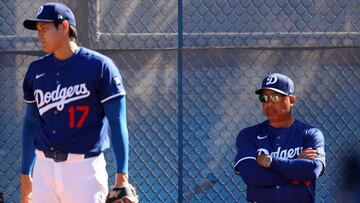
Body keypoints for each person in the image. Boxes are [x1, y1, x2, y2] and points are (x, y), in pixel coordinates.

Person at [20, 3, 138, 203]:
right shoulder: (36, 70)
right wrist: (25, 175)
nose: (39, 34)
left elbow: (117, 122)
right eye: (38, 29)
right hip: (44, 168)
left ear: (64, 26)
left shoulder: (99, 66)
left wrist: (122, 179)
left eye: (44, 28)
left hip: (84, 170)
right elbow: (30, 123)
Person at [234, 73, 326, 203]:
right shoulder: (249, 135)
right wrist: (295, 165)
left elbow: (312, 170)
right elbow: (251, 175)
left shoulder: (310, 133)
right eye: (264, 98)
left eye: (275, 97)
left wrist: (271, 162)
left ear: (292, 100)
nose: (269, 104)